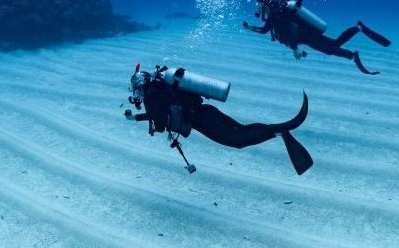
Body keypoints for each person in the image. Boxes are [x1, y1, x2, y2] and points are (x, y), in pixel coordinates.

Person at [124, 64, 313, 175]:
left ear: (139, 85)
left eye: (136, 90)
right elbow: (164, 111)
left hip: (202, 119)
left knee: (237, 140)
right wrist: (137, 118)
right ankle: (278, 130)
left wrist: (149, 120)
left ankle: (279, 130)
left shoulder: (151, 94)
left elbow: (159, 124)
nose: (137, 94)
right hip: (205, 112)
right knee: (241, 131)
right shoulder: (159, 87)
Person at [243, 0, 391, 75]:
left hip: (307, 35)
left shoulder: (275, 14)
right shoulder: (276, 13)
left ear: (263, 4)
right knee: (332, 47)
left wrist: (295, 49)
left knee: (332, 46)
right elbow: (264, 30)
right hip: (306, 36)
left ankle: (356, 39)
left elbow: (290, 31)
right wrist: (250, 28)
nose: (258, 8)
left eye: (259, 5)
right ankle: (353, 48)